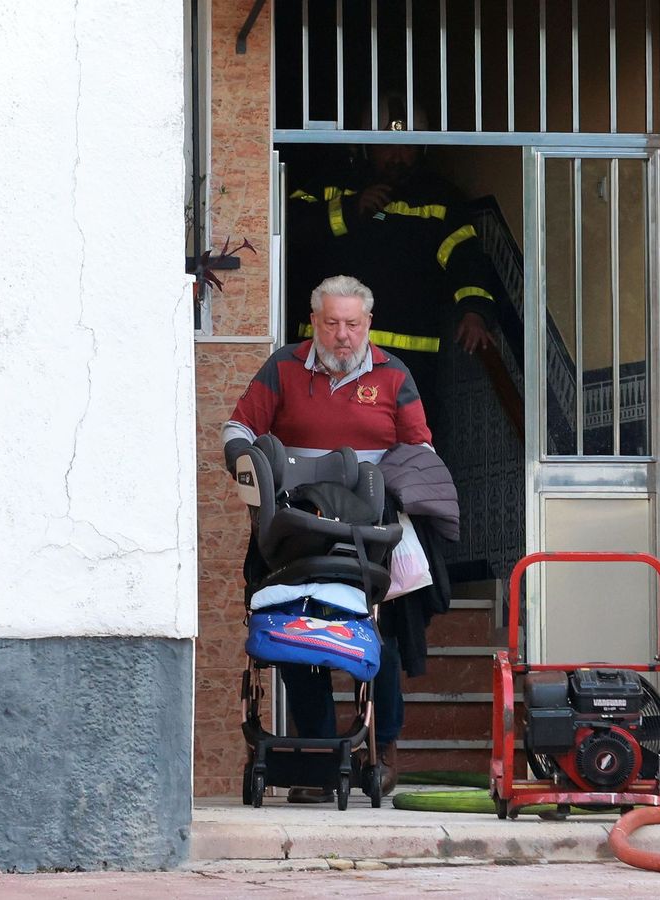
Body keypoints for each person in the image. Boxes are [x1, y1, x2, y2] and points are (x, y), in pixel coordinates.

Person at [223, 274, 428, 803]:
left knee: (377, 640)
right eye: (332, 323)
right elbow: (237, 430)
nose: (342, 335)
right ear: (314, 322)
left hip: (369, 536)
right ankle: (314, 757)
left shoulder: (393, 374)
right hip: (292, 531)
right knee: (290, 631)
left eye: (353, 325)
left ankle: (382, 751)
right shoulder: (284, 367)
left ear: (368, 325)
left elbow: (420, 449)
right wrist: (251, 473)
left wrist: (398, 487)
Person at [284, 95, 503, 450]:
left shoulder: (440, 200)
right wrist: (349, 210)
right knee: (325, 444)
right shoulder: (330, 185)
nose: (398, 155)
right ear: (366, 146)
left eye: (408, 146)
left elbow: (465, 258)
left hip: (408, 367)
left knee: (406, 452)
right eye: (387, 146)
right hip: (329, 357)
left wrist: (475, 310)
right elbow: (288, 231)